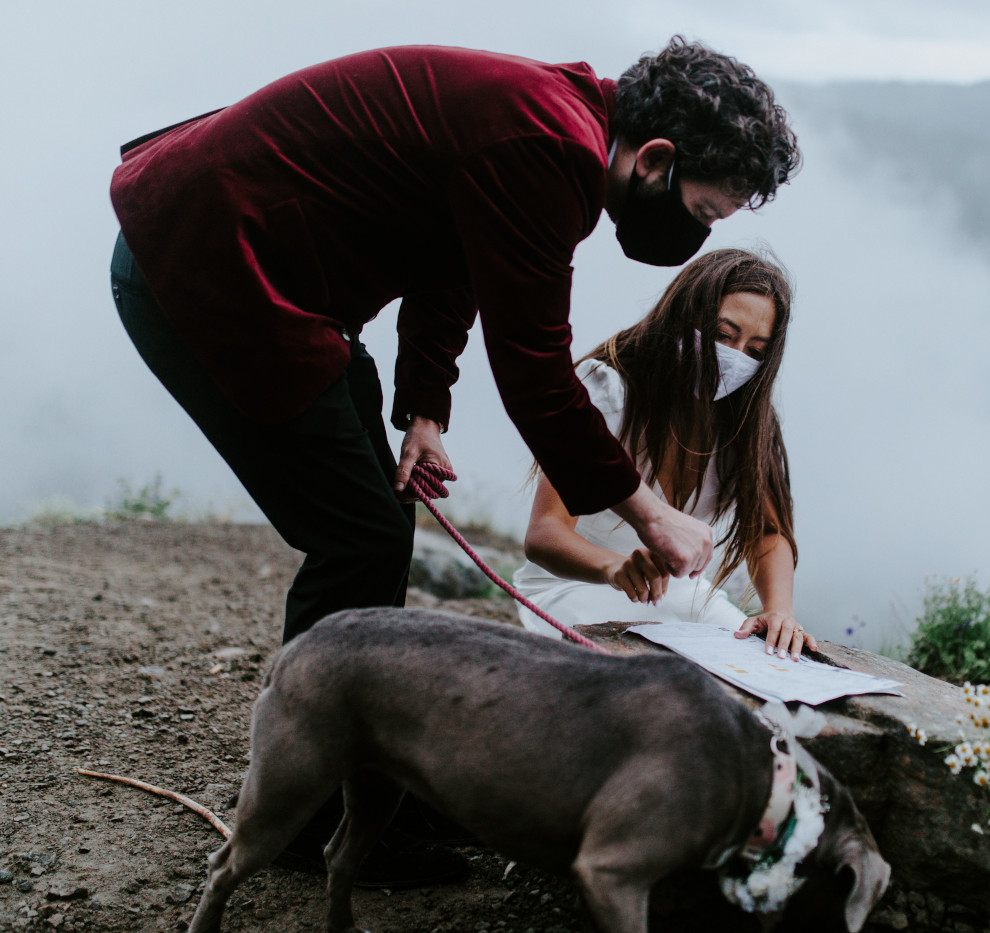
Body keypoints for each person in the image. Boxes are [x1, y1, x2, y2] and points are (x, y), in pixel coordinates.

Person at [107, 38, 799, 886]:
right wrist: (648, 512)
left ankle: (358, 783)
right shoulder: (549, 145)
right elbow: (537, 372)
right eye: (702, 210)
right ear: (655, 159)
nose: (695, 235)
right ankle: (305, 809)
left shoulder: (554, 127)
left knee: (377, 524)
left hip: (263, 266)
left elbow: (458, 254)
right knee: (357, 536)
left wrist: (424, 406)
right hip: (203, 258)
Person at [514, 249, 818, 661]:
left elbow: (768, 532)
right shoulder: (610, 389)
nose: (735, 357)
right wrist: (612, 567)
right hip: (581, 585)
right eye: (723, 335)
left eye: (755, 350)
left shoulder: (749, 420)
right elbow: (545, 534)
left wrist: (779, 609)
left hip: (686, 597)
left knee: (772, 666)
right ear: (684, 314)